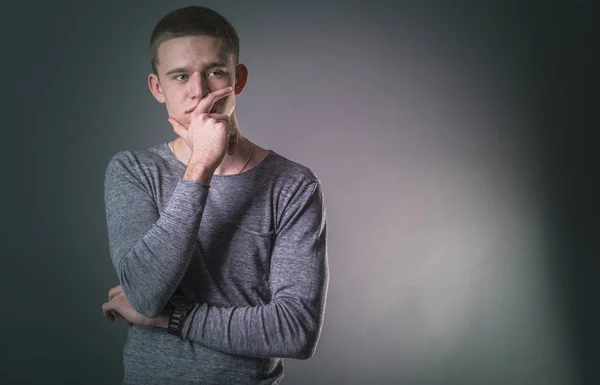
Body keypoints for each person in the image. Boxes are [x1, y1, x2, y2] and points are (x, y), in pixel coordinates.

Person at [100, 5, 329, 385]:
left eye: (215, 72)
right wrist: (201, 167)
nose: (199, 91)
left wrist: (174, 319)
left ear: (238, 79)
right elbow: (145, 296)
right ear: (158, 88)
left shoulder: (293, 185)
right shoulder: (134, 171)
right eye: (180, 76)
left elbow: (295, 329)